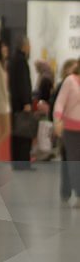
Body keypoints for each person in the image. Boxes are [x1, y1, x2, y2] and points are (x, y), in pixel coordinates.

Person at [53, 59, 80, 207]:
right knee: (74, 161)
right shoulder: (70, 81)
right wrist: (57, 119)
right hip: (70, 129)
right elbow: (60, 102)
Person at [9, 35, 34, 170]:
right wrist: (26, 102)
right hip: (22, 104)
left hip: (14, 103)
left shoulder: (13, 60)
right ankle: (23, 162)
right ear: (24, 46)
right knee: (24, 133)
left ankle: (17, 161)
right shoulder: (22, 61)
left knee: (17, 133)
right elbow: (23, 83)